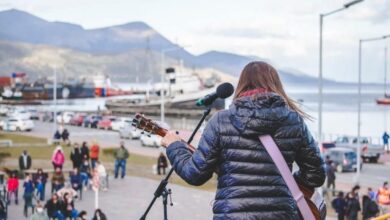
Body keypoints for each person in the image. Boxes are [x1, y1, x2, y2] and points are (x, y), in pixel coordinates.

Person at [160, 61, 326, 219]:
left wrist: (174, 146)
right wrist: (283, 183)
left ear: (242, 84)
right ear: (276, 85)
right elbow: (316, 175)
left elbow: (195, 174)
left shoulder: (220, 121)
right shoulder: (293, 121)